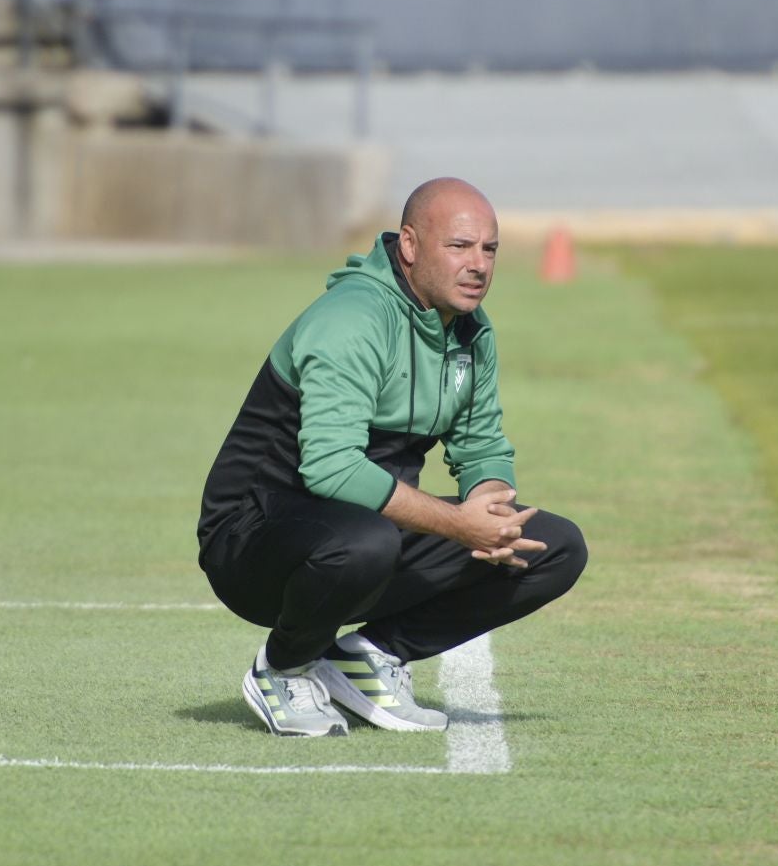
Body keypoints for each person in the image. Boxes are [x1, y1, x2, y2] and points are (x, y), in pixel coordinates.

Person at [196, 177, 588, 737]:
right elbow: (331, 467)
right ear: (409, 245)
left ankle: (369, 657)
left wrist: (491, 510)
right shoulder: (351, 319)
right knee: (366, 541)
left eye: (489, 249)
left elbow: (481, 443)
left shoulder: (471, 331)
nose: (478, 265)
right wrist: (459, 525)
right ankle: (282, 668)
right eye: (459, 246)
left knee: (552, 547)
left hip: (367, 531)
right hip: (252, 542)